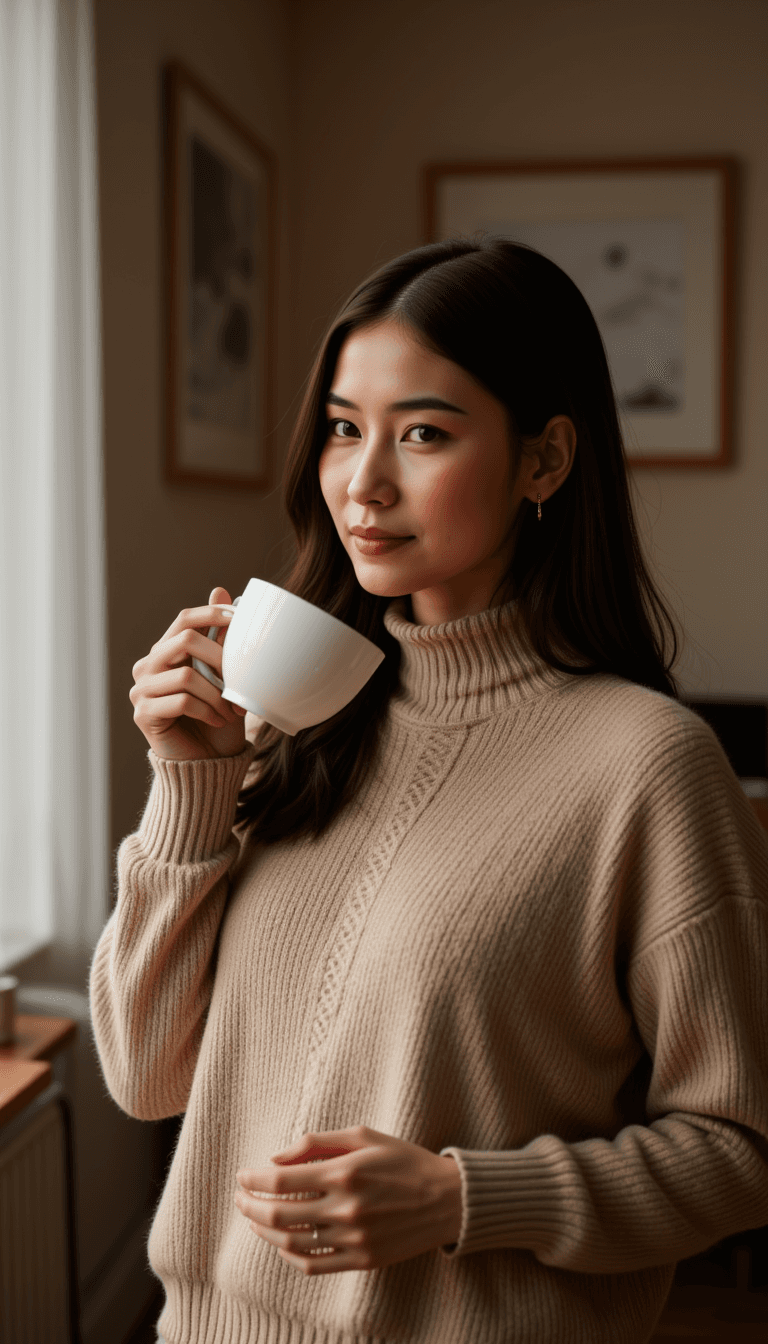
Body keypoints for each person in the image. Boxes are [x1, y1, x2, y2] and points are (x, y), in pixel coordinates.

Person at [90, 238, 768, 1344]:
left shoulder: (648, 765)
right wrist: (192, 778)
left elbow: (741, 1154)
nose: (363, 482)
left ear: (545, 461)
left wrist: (464, 1198)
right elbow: (145, 1076)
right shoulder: (294, 721)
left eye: (424, 434)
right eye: (342, 428)